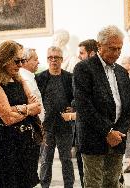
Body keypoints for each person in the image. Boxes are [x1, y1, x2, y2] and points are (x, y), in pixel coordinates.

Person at [73, 25, 130, 188]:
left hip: (118, 139)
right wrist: (108, 131)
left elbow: (128, 107)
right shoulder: (84, 68)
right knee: (94, 183)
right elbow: (84, 105)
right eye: (112, 48)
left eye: (119, 49)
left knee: (113, 183)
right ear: (99, 46)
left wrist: (119, 132)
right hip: (93, 137)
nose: (116, 53)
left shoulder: (122, 72)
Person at [0, 40, 41, 187]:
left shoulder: (19, 79)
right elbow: (7, 118)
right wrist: (27, 109)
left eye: (23, 60)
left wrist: (17, 108)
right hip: (6, 144)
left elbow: (37, 107)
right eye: (17, 61)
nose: (20, 65)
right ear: (3, 60)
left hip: (26, 142)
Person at [61, 39, 98, 188]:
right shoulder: (81, 70)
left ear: (92, 53)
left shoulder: (98, 74)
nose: (79, 57)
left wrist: (73, 113)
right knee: (83, 172)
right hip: (81, 130)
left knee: (94, 174)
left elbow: (88, 102)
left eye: (82, 53)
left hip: (94, 131)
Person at [36, 46, 75, 188]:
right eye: (50, 57)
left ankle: (69, 186)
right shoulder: (40, 78)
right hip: (46, 125)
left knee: (66, 159)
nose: (53, 60)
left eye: (56, 58)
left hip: (64, 125)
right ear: (47, 59)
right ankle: (44, 185)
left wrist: (73, 106)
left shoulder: (69, 77)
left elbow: (76, 97)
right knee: (46, 159)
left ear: (61, 59)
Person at [20, 48, 45, 122]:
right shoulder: (25, 79)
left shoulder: (29, 77)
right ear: (25, 61)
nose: (38, 62)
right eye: (35, 59)